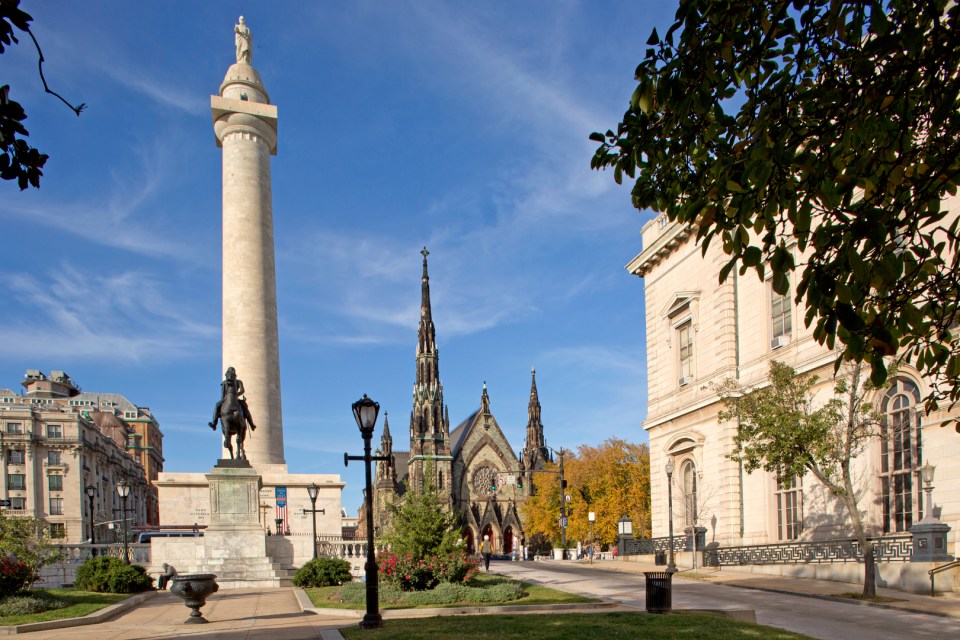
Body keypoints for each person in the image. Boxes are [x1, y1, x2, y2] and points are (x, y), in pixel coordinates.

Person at [210, 367, 257, 432]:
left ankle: (251, 424)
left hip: (235, 398)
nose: (231, 373)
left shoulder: (238, 381)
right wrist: (223, 400)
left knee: (245, 408)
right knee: (217, 405)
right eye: (230, 372)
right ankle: (214, 423)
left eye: (232, 371)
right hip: (226, 398)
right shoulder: (224, 382)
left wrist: (236, 395)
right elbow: (223, 393)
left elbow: (242, 390)